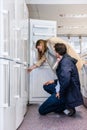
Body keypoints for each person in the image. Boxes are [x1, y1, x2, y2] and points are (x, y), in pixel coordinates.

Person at [38, 43, 83, 116]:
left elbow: (66, 80)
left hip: (66, 92)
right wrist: (54, 81)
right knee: (46, 86)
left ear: (57, 52)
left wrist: (60, 93)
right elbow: (64, 77)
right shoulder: (64, 59)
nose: (54, 52)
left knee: (41, 110)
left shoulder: (65, 62)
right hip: (64, 88)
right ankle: (61, 102)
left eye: (54, 51)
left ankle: (65, 105)